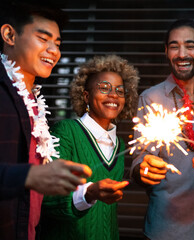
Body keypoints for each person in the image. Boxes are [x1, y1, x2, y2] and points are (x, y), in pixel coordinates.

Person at [130, 19, 194, 240]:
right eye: (174, 46)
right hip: (167, 229)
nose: (182, 54)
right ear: (166, 51)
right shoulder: (150, 98)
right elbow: (139, 159)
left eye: (190, 45)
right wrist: (143, 168)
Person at [0, 1, 92, 239]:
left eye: (57, 43)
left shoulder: (33, 101)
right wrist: (28, 176)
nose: (54, 51)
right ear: (9, 35)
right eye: (43, 38)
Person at [40, 55, 139, 240]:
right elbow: (47, 197)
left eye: (120, 91)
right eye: (104, 88)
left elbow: (108, 215)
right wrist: (89, 192)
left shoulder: (120, 146)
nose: (113, 95)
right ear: (86, 95)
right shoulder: (65, 132)